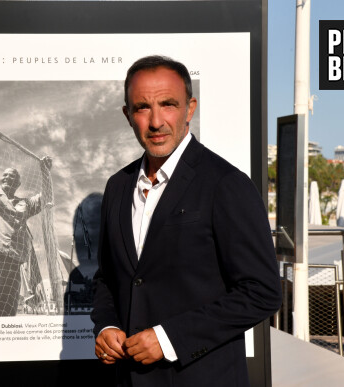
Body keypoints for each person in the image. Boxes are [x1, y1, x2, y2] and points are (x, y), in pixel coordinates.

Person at [91, 55, 282, 386]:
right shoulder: (118, 186)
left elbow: (262, 292)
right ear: (127, 115)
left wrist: (169, 339)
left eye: (168, 104)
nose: (155, 121)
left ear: (189, 108)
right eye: (141, 108)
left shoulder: (225, 183)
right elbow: (109, 278)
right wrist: (106, 325)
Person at [0, 157, 52, 317]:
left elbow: (46, 197)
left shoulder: (25, 204)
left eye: (12, 176)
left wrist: (45, 172)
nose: (7, 177)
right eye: (5, 175)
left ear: (18, 184)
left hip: (13, 260)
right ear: (0, 180)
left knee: (7, 311)